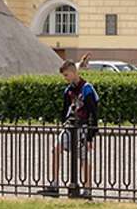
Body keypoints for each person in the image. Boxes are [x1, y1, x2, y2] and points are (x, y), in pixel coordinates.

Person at [41, 61, 99, 198]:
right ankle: (54, 184)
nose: (65, 78)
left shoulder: (87, 89)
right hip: (70, 126)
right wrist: (63, 123)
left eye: (66, 75)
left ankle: (87, 188)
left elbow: (94, 114)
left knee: (84, 158)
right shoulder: (68, 90)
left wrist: (91, 136)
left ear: (74, 73)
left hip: (83, 127)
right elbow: (64, 110)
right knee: (56, 149)